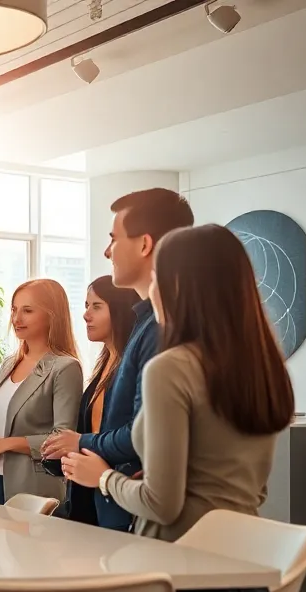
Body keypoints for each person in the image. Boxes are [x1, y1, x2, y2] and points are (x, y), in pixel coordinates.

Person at [62, 223, 295, 592]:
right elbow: (245, 486)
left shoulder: (173, 367)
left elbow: (165, 505)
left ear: (177, 285)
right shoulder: (261, 366)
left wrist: (104, 478)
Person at [42, 188, 194, 531]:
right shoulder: (147, 325)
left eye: (114, 238)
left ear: (144, 244)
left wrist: (83, 444)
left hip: (137, 509)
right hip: (115, 506)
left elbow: (143, 436)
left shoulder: (161, 329)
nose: (107, 251)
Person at [0, 279, 82, 505]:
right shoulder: (9, 363)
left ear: (52, 315)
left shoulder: (65, 368)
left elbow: (62, 439)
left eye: (27, 310)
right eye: (14, 309)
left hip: (32, 489)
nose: (16, 319)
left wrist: (5, 443)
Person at [45, 275, 139, 525]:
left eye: (96, 306)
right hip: (88, 494)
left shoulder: (130, 365)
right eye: (86, 306)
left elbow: (133, 435)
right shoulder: (105, 362)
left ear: (120, 310)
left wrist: (80, 442)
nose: (86, 315)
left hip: (119, 496)